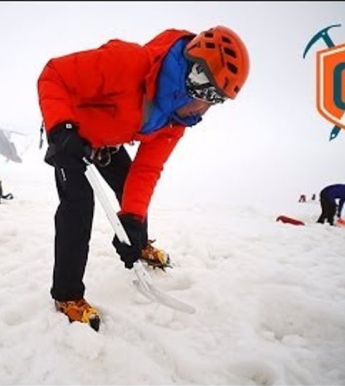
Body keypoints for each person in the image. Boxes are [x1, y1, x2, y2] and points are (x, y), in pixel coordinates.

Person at [38, 25, 250, 330]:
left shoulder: (177, 120)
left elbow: (146, 170)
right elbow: (54, 74)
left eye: (215, 100)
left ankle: (138, 242)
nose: (204, 106)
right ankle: (67, 295)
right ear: (192, 73)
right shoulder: (127, 63)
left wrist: (133, 219)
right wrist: (61, 128)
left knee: (131, 191)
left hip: (106, 142)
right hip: (70, 137)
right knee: (79, 206)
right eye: (206, 92)